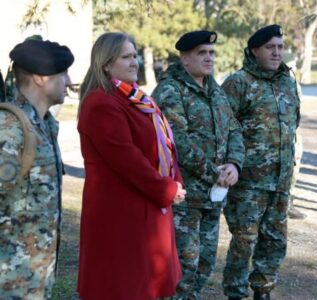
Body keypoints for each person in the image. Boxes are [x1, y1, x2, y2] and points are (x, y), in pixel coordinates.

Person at [77, 32, 185, 300]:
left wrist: (175, 181)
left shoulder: (135, 98)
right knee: (124, 288)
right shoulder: (101, 102)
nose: (134, 62)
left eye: (135, 55)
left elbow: (164, 146)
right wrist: (166, 189)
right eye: (126, 57)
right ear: (106, 63)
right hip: (121, 212)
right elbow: (128, 160)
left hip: (145, 205)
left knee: (145, 286)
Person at [152, 30, 244, 300]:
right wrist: (213, 173)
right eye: (201, 53)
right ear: (184, 58)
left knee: (204, 265)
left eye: (211, 53)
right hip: (185, 196)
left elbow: (234, 130)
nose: (208, 58)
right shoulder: (170, 90)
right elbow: (176, 140)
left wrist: (234, 165)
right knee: (183, 267)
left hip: (213, 197)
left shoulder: (214, 89)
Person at [221, 24, 300, 300]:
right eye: (270, 47)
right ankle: (235, 292)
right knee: (244, 239)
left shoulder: (288, 82)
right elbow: (224, 129)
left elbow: (293, 126)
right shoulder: (238, 83)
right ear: (254, 51)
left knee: (275, 239)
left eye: (280, 46)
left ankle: (263, 290)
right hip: (248, 183)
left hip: (280, 179)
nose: (277, 52)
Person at [0, 38, 73, 299]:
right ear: (41, 78)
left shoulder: (45, 126)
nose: (69, 81)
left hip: (36, 278)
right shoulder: (10, 129)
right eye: (63, 73)